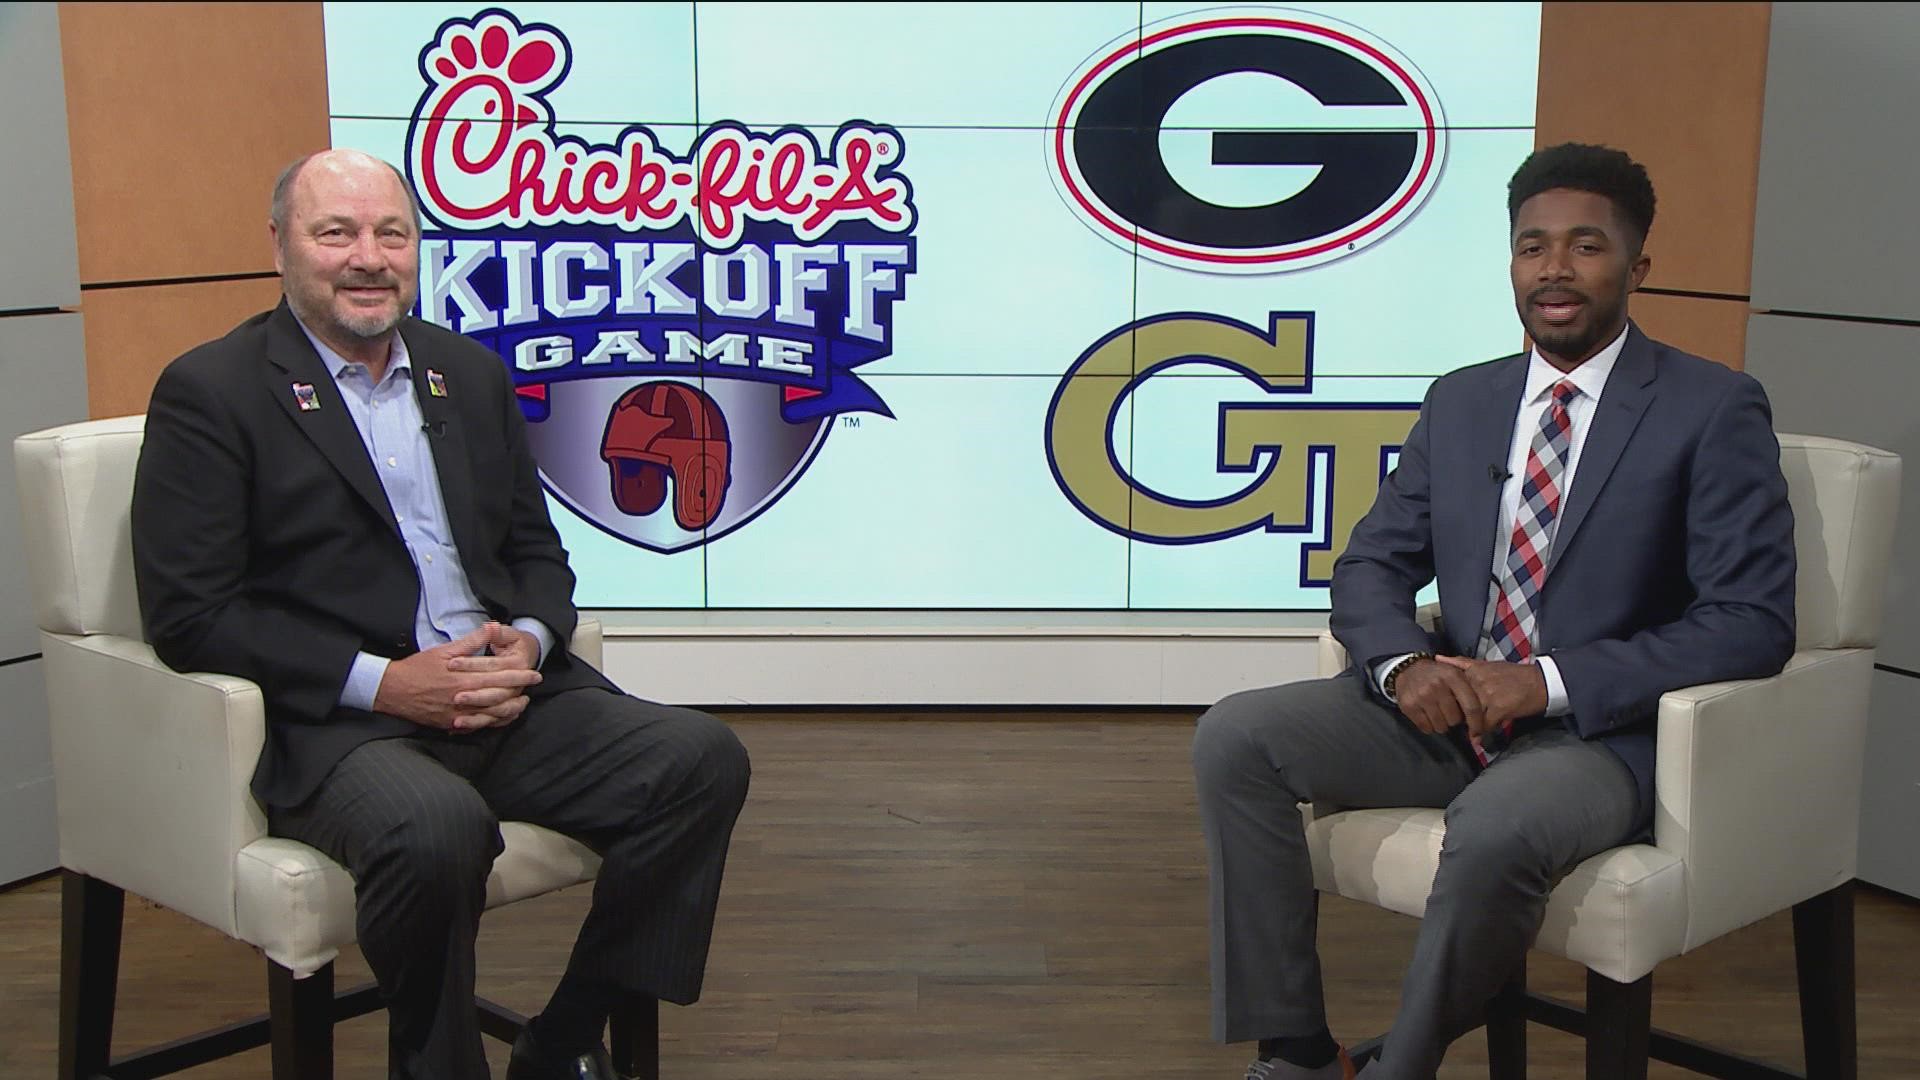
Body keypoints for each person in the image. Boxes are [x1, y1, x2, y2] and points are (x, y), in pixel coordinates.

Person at [131, 148, 751, 1080]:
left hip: (506, 696)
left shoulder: (467, 371)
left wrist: (530, 639)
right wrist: (388, 684)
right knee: (436, 828)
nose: (368, 256)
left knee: (700, 761)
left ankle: (561, 1041)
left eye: (392, 232)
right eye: (336, 232)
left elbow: (538, 555)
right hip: (346, 726)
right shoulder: (211, 393)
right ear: (280, 247)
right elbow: (190, 614)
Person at [1191, 143, 1797, 1080]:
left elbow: (1753, 619)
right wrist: (1404, 666)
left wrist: (1544, 684)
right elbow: (1370, 566)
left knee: (1501, 828)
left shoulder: (1712, 408)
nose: (1554, 268)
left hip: (1602, 735)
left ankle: (1405, 1068)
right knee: (1238, 736)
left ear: (1637, 268)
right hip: (1451, 710)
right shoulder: (1464, 400)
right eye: (1532, 247)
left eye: (1585, 246)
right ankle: (1300, 1055)